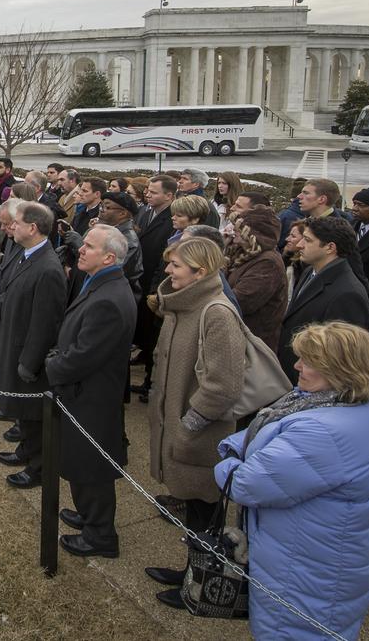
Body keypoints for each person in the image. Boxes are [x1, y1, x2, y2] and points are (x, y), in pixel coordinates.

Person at [213, 321, 369, 639]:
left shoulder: (323, 431)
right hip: (323, 559)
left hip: (303, 573)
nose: (297, 365)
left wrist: (226, 464)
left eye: (308, 361)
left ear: (339, 370)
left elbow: (244, 485)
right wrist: (239, 446)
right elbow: (272, 431)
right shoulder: (355, 406)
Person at [145, 237, 245, 604]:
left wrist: (188, 425)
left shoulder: (216, 312)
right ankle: (191, 569)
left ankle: (200, 586)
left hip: (199, 436)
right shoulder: (183, 305)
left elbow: (224, 384)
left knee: (205, 513)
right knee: (194, 511)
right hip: (180, 427)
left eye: (175, 266)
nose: (168, 271)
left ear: (200, 272)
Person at [46, 225, 138, 558]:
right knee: (81, 463)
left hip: (92, 397)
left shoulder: (110, 299)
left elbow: (84, 356)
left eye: (89, 246)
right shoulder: (100, 282)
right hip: (83, 393)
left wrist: (53, 366)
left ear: (109, 257)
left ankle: (100, 534)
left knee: (91, 467)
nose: (80, 249)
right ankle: (88, 517)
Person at [0, 202, 67, 489]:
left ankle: (37, 467)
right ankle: (25, 451)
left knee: (35, 416)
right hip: (15, 345)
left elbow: (46, 323)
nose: (12, 227)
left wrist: (30, 362)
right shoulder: (27, 255)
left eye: (17, 223)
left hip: (28, 356)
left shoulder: (48, 268)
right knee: (23, 412)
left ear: (32, 228)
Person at [277, 215, 369, 379]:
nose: (300, 245)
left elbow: (339, 356)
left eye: (307, 240)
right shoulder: (310, 271)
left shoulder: (348, 294)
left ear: (330, 247)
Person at [132, 175, 176, 401]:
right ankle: (147, 379)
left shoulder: (171, 220)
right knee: (145, 334)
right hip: (142, 279)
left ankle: (151, 382)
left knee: (153, 336)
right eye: (147, 190)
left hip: (154, 282)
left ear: (169, 196)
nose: (148, 194)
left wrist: (155, 287)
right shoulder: (145, 212)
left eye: (154, 192)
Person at [224, 207, 288, 351]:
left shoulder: (267, 263)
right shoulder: (245, 253)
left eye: (239, 229)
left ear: (253, 234)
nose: (234, 231)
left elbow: (240, 301)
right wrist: (224, 248)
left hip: (253, 342)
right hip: (240, 335)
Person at [98, 191, 142, 296]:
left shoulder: (128, 242)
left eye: (107, 208)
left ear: (122, 213)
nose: (101, 210)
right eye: (101, 206)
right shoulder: (111, 231)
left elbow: (108, 272)